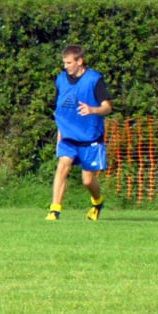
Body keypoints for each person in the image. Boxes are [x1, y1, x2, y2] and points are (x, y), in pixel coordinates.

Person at [47, 44, 111, 222]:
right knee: (62, 167)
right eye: (64, 63)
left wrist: (92, 110)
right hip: (68, 137)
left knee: (87, 181)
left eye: (69, 62)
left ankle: (97, 203)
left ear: (80, 61)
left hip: (90, 138)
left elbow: (107, 107)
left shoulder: (94, 79)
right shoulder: (61, 80)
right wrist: (60, 132)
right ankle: (54, 211)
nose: (65, 66)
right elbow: (60, 110)